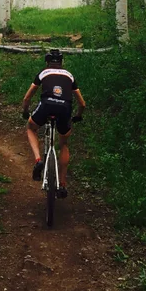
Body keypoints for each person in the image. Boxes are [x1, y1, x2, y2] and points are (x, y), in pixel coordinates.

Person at [21, 49, 86, 198]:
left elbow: (27, 98)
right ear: (62, 62)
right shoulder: (69, 75)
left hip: (47, 105)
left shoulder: (43, 73)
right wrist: (78, 116)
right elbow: (82, 103)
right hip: (65, 108)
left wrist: (25, 111)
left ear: (47, 62)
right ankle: (62, 184)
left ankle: (38, 160)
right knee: (64, 144)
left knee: (31, 128)